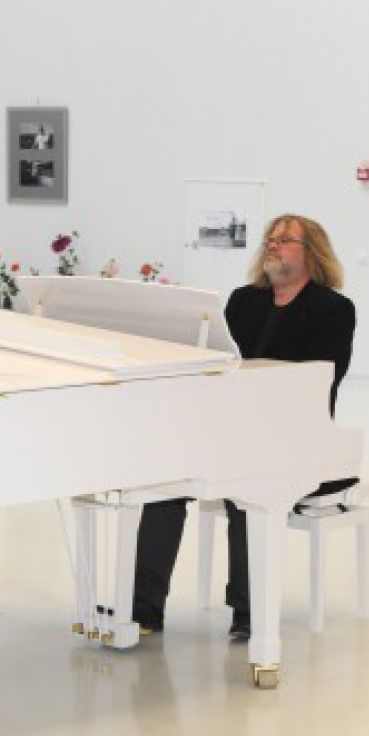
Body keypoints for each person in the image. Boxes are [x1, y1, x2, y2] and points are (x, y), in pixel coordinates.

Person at [132, 213, 356, 639]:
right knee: (166, 486)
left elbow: (322, 379)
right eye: (270, 238)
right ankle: (143, 609)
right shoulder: (243, 300)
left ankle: (249, 611)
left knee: (247, 489)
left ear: (312, 253)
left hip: (296, 437)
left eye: (285, 240)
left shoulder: (333, 309)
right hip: (233, 430)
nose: (273, 244)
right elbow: (221, 363)